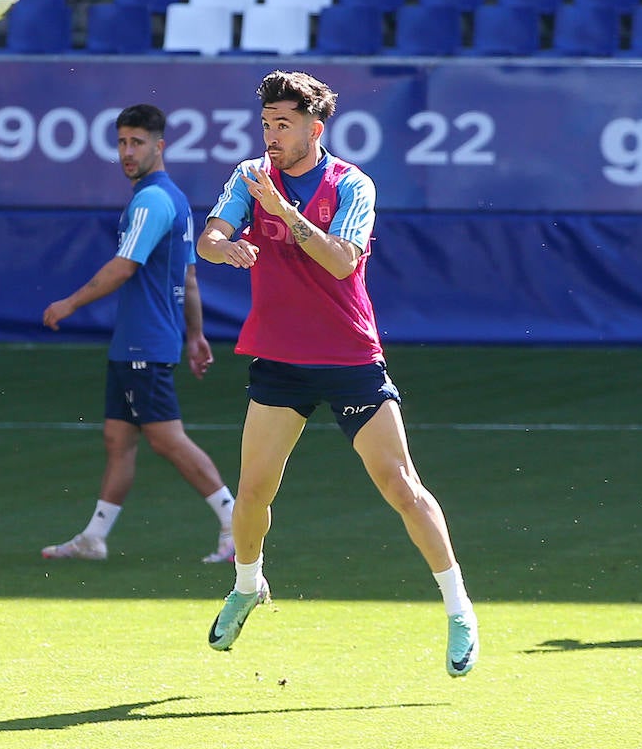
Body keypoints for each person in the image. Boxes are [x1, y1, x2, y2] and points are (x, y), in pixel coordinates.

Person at [195, 70, 478, 676]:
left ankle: (458, 609)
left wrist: (283, 214)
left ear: (314, 129)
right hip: (281, 358)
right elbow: (209, 237)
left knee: (400, 485)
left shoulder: (352, 184)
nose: (271, 135)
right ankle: (247, 585)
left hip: (349, 357)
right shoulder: (250, 176)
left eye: (283, 125)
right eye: (266, 124)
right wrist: (225, 245)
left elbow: (341, 261)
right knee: (253, 493)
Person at [40, 104, 237, 565]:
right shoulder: (174, 199)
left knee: (167, 439)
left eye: (137, 143)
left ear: (159, 146)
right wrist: (196, 334)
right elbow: (187, 278)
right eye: (122, 143)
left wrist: (70, 302)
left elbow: (124, 267)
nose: (128, 152)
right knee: (118, 439)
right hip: (140, 340)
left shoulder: (151, 201)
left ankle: (235, 524)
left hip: (143, 342)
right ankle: (95, 537)